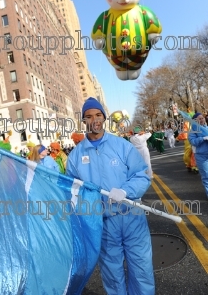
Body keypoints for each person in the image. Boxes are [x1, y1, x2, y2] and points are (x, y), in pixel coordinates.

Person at [66, 97, 155, 295]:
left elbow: (141, 175)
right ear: (83, 121)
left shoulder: (121, 146)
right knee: (113, 276)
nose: (94, 119)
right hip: (102, 224)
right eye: (88, 116)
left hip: (132, 217)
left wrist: (126, 191)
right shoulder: (75, 157)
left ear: (104, 118)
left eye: (98, 115)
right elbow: (70, 193)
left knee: (141, 270)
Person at [188, 113, 208, 198]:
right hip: (201, 156)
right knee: (206, 176)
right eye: (199, 119)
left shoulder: (207, 128)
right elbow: (193, 142)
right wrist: (203, 138)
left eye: (202, 118)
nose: (202, 120)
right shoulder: (193, 131)